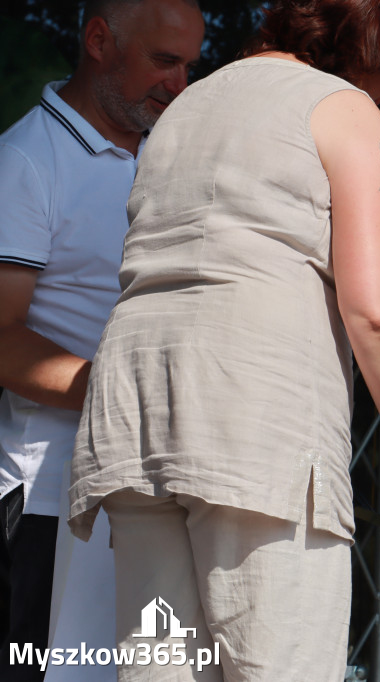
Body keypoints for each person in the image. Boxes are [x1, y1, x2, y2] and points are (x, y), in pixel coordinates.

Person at [66, 0, 380, 678]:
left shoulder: (184, 107)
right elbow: (378, 305)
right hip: (257, 410)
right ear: (372, 44)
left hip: (133, 410)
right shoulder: (342, 105)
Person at [0, 1, 204, 678]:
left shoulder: (170, 162)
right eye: (163, 61)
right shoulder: (27, 160)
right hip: (49, 501)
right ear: (97, 40)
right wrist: (122, 393)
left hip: (152, 494)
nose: (179, 85)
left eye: (189, 66)